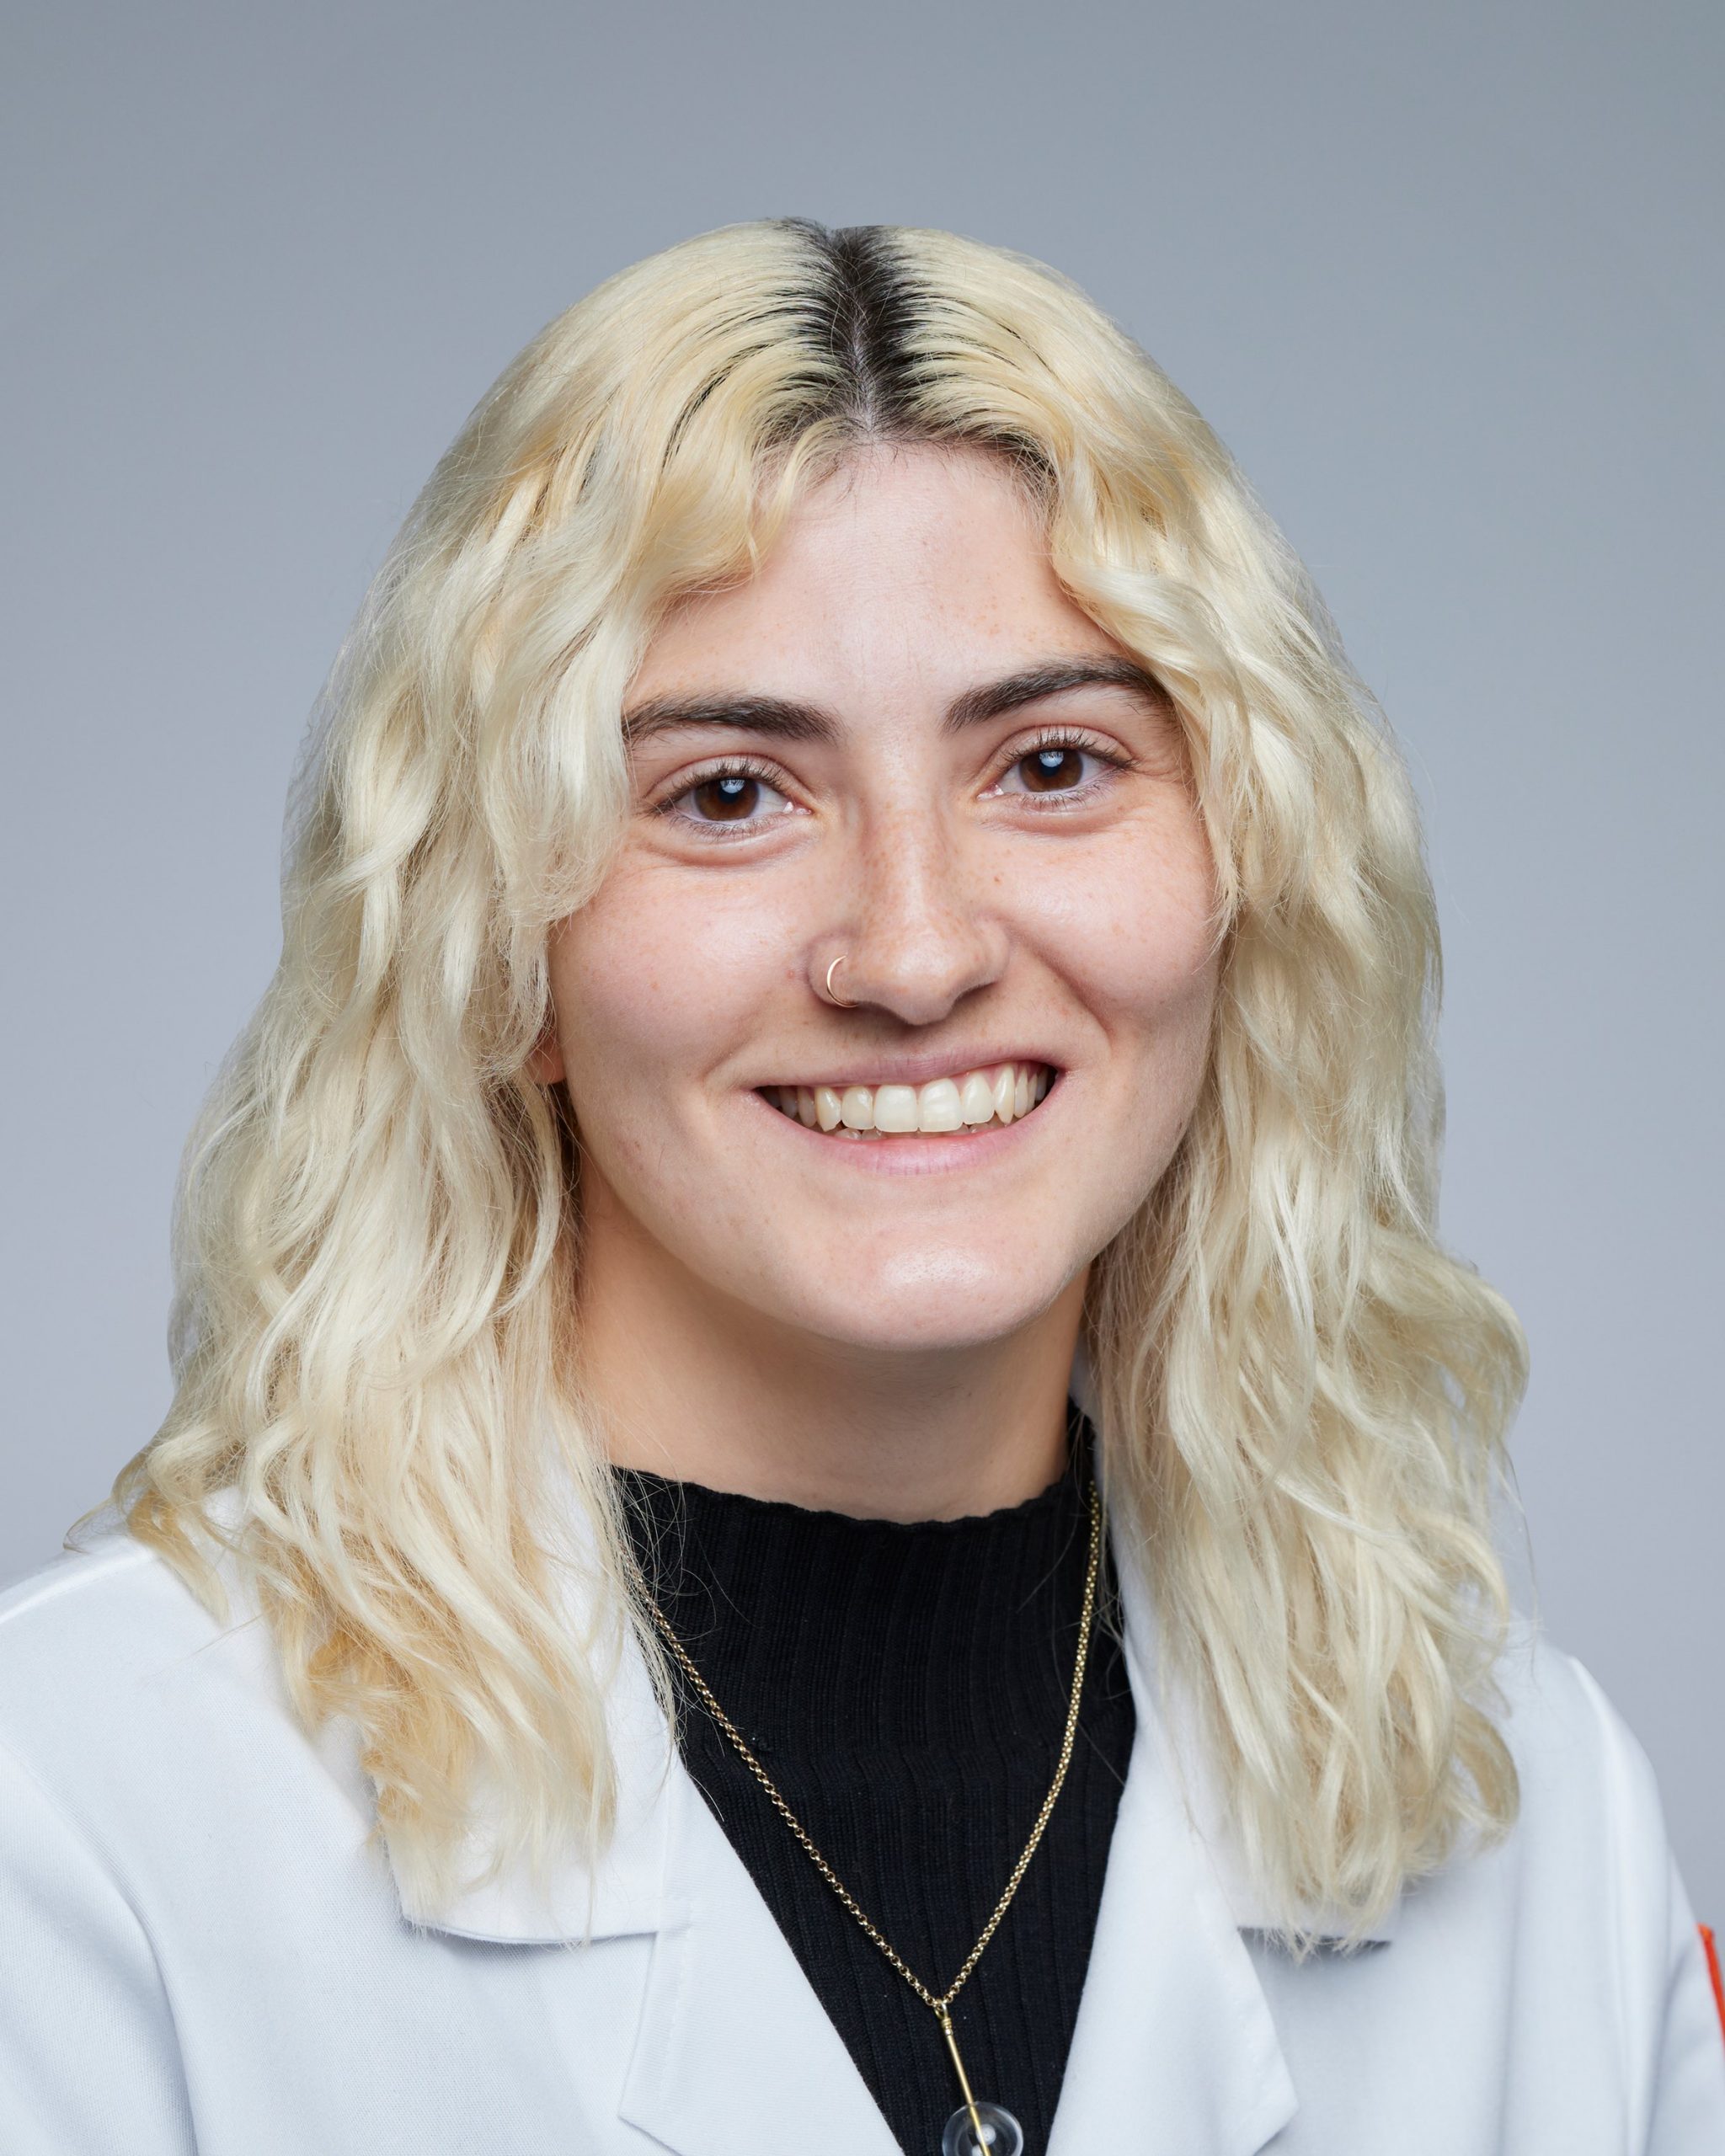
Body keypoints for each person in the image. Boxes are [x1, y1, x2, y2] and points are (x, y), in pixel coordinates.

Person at [0, 219, 1718, 2156]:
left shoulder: (1533, 1820)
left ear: (1244, 879)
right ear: (498, 956)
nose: (912, 951)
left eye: (1051, 764)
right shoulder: (78, 1823)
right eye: (728, 792)